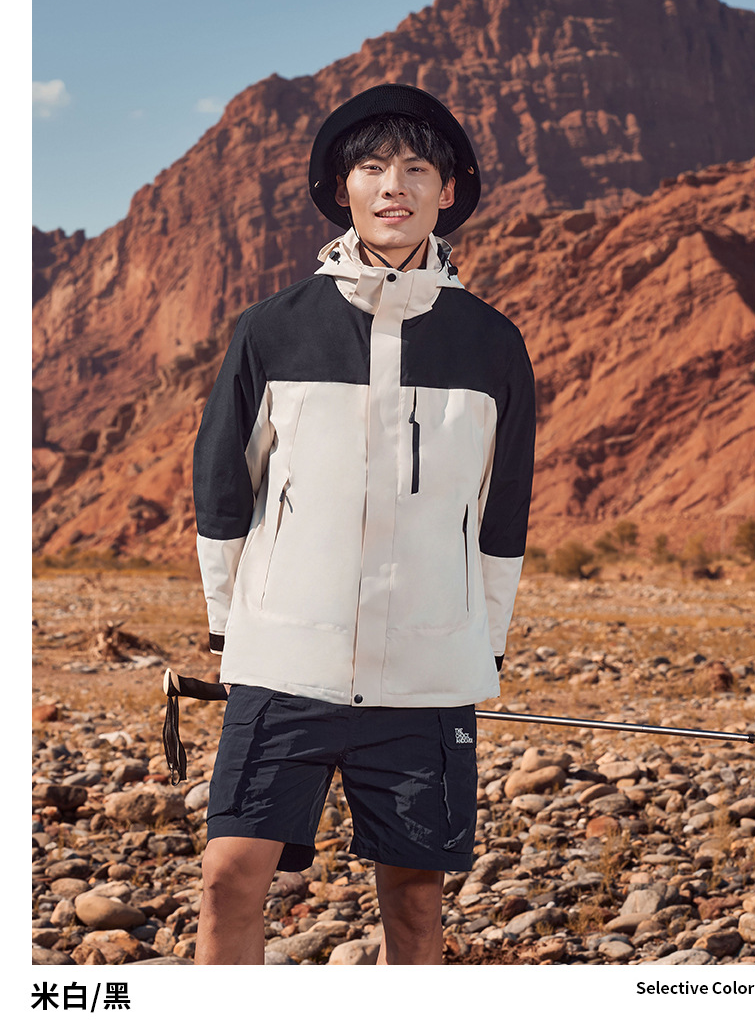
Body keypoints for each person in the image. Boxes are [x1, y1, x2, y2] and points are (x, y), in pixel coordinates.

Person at [189, 83, 536, 964]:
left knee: (415, 905)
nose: (394, 187)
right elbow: (225, 489)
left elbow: (503, 513)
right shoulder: (271, 330)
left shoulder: (492, 343)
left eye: (416, 169)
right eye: (373, 167)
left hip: (424, 676)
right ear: (340, 187)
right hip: (285, 663)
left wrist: (482, 643)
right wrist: (232, 629)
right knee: (229, 876)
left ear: (447, 190)